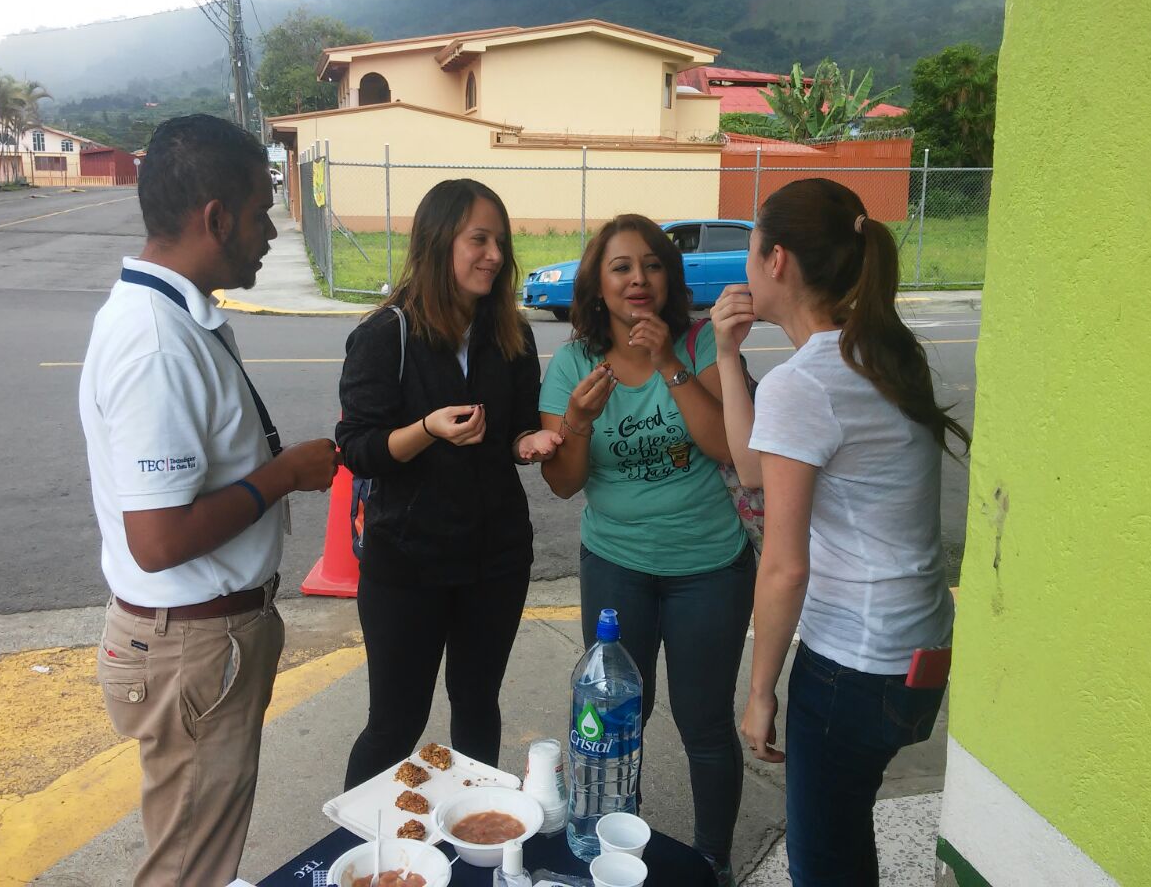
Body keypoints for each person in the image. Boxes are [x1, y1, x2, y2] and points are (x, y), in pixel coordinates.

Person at [78, 114, 338, 887]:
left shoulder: (169, 317)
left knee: (197, 852)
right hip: (195, 646)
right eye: (262, 213)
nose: (271, 233)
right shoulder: (155, 342)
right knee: (189, 868)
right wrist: (284, 475)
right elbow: (157, 539)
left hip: (201, 639)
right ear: (215, 218)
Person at [713, 179, 971, 886]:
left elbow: (784, 569)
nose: (745, 265)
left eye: (750, 248)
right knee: (843, 835)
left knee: (825, 861)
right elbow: (752, 469)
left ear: (777, 261)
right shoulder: (881, 352)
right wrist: (728, 358)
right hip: (916, 650)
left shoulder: (809, 382)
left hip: (855, 661)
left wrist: (760, 689)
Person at [539, 214, 754, 887]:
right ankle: (611, 847)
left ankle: (710, 860)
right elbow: (564, 483)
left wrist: (668, 363)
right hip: (616, 564)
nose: (638, 279)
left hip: (709, 566)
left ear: (669, 276)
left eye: (652, 265)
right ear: (597, 286)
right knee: (614, 721)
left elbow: (729, 450)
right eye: (620, 267)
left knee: (705, 721)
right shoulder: (574, 361)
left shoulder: (701, 344)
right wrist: (575, 421)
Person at [336, 178, 560, 790]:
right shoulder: (388, 335)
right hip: (408, 563)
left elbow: (514, 431)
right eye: (478, 239)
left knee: (478, 706)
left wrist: (529, 443)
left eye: (500, 241)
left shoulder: (511, 333)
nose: (494, 254)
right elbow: (357, 450)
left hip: (496, 558)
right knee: (394, 723)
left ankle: (476, 840)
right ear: (439, 243)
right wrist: (427, 429)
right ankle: (360, 851)